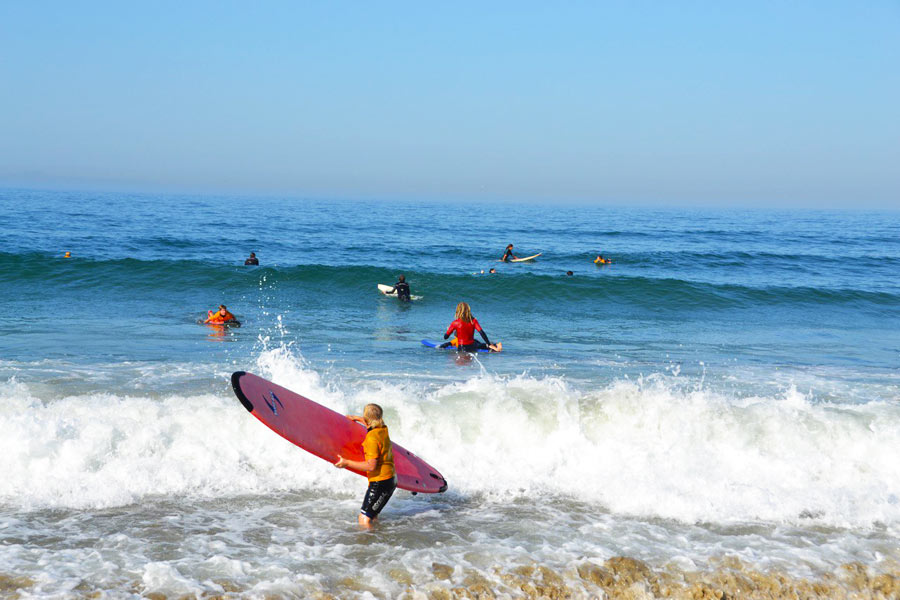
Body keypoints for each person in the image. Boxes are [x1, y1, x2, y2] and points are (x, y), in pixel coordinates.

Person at [334, 404, 397, 528]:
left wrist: (347, 463)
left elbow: (371, 466)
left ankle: (367, 544)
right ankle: (377, 540)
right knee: (372, 516)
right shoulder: (383, 428)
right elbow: (371, 422)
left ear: (367, 418)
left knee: (364, 518)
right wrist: (356, 418)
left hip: (380, 483)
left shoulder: (371, 439)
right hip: (391, 479)